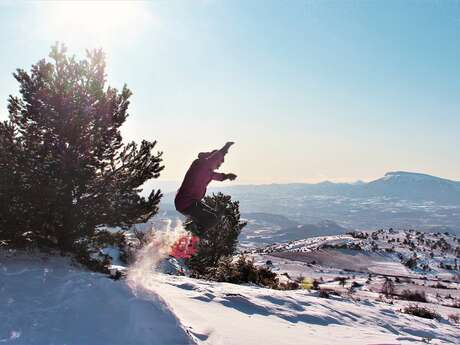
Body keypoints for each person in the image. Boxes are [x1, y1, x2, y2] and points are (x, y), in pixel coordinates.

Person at [175, 141, 237, 231]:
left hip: (189, 201)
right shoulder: (203, 165)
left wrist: (227, 176)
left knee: (215, 216)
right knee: (212, 219)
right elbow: (217, 156)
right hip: (186, 202)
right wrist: (226, 147)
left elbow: (218, 176)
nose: (218, 167)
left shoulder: (207, 171)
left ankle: (189, 230)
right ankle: (193, 233)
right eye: (219, 164)